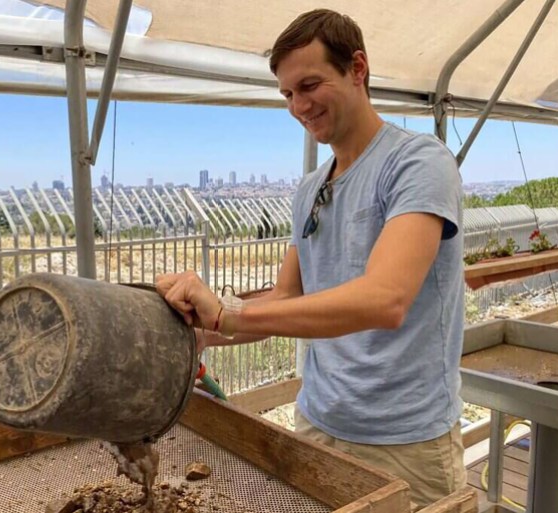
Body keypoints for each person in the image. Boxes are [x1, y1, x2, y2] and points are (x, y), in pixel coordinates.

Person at [155, 9, 466, 509]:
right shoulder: (309, 192)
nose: (299, 105)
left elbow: (386, 299)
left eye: (309, 85)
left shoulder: (417, 163)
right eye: (287, 94)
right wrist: (191, 331)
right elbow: (286, 299)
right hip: (319, 424)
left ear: (357, 69)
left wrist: (230, 312)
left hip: (406, 441)